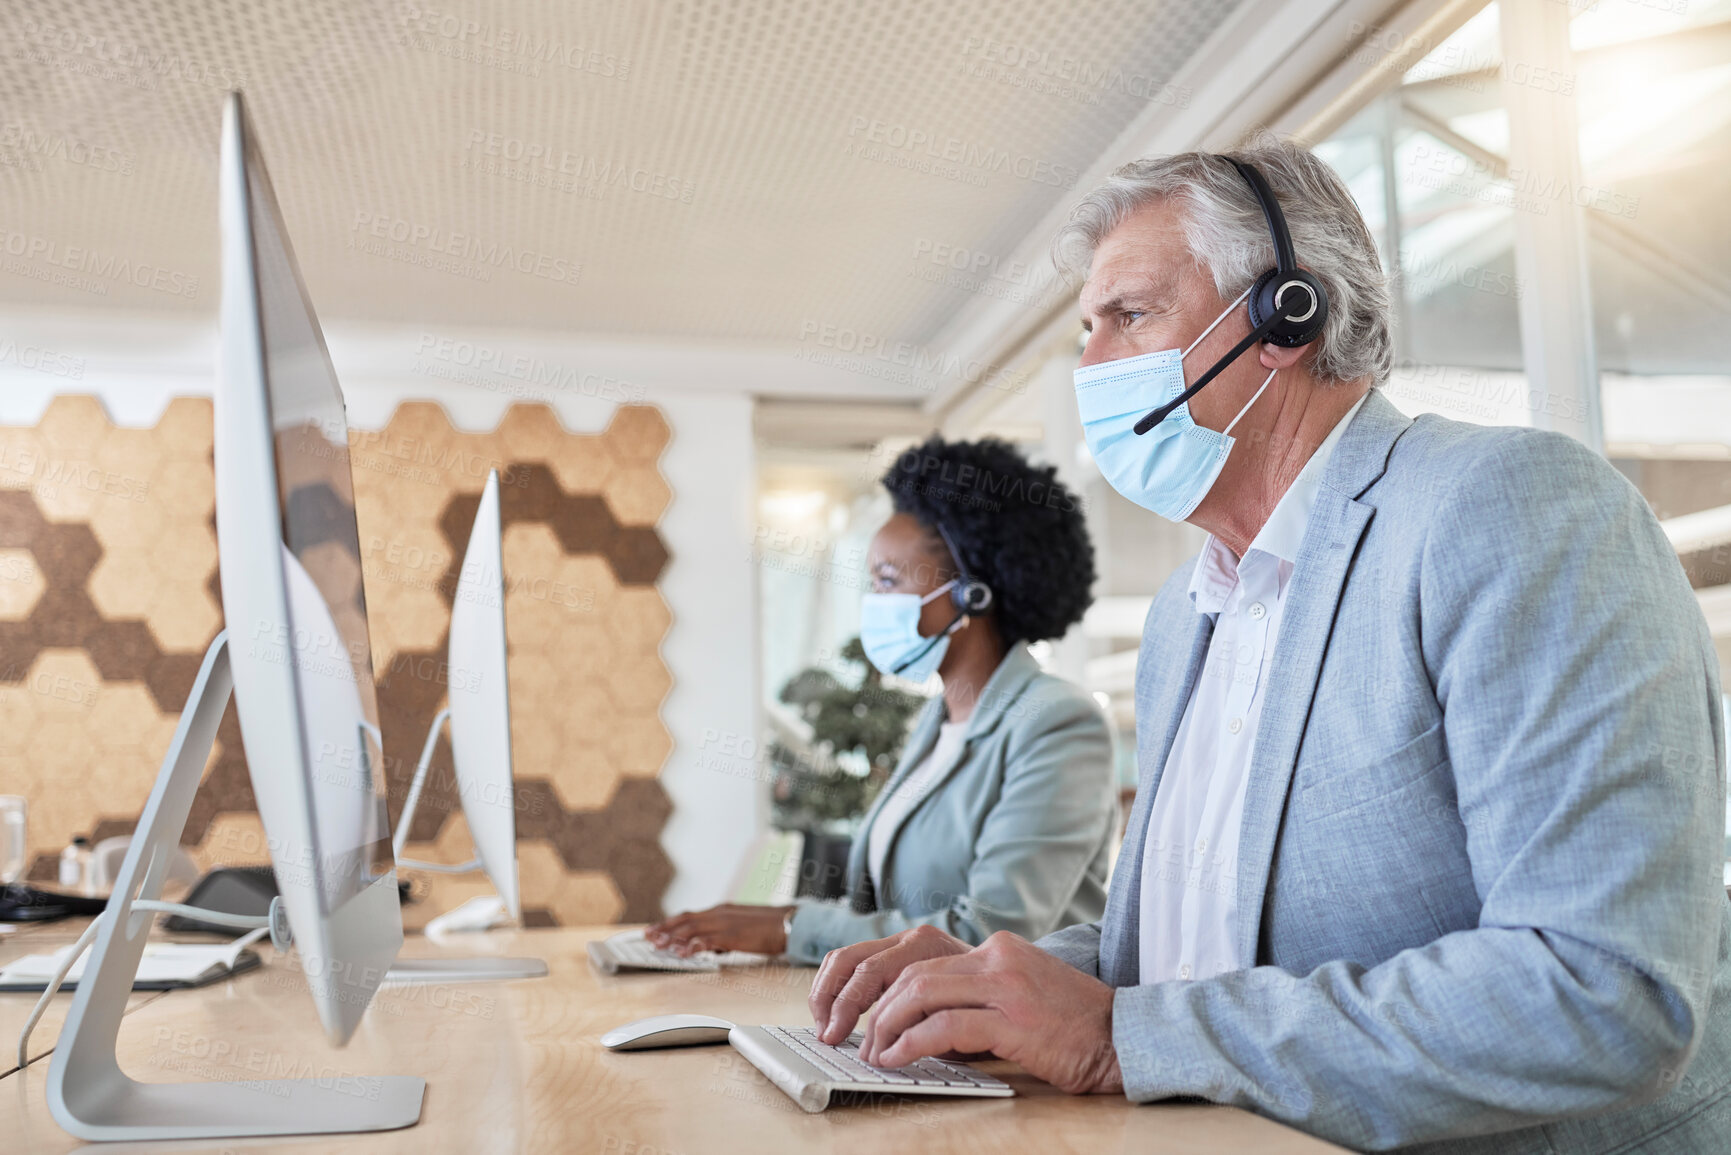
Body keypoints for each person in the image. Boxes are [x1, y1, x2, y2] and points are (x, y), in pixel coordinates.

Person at [805, 141, 1731, 1153]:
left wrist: (1118, 1038)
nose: (1089, 369)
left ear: (1286, 316)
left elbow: (1602, 989)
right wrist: (993, 983)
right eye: (1085, 330)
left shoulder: (1507, 508)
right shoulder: (1180, 620)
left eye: (1130, 316)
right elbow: (1204, 950)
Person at [647, 436, 1118, 965]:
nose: (874, 606)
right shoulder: (935, 722)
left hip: (1011, 1036)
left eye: (888, 581)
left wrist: (789, 928)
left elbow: (986, 931)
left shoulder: (1057, 723)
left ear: (974, 593)